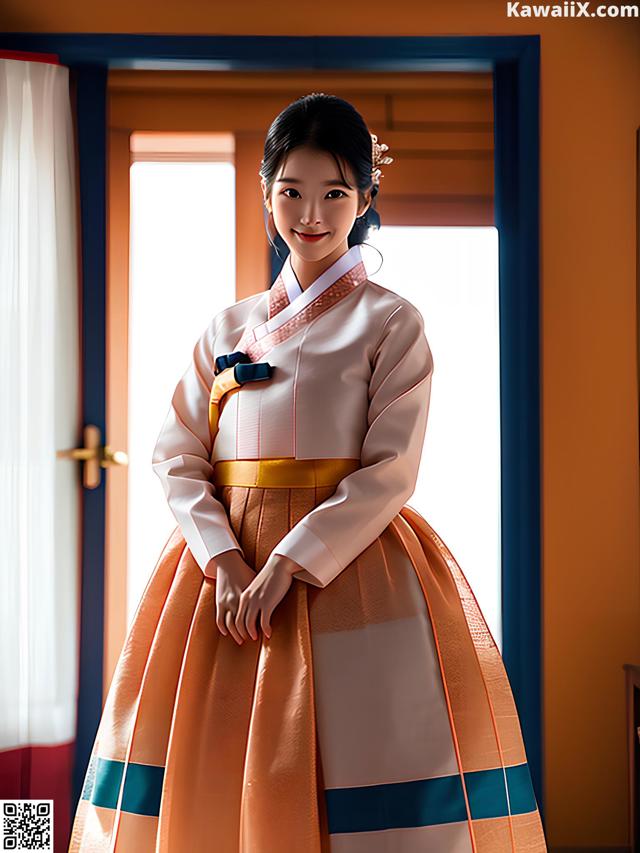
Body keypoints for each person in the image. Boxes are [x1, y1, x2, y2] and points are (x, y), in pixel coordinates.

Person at [68, 92, 548, 852]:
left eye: (334, 193)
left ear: (364, 199)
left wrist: (290, 565)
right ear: (267, 195)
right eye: (291, 191)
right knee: (207, 761)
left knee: (357, 763)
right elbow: (177, 451)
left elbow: (392, 468)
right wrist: (224, 559)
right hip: (222, 573)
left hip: (349, 562)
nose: (311, 213)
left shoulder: (393, 321)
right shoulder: (227, 326)